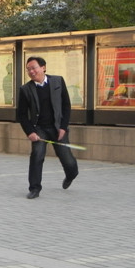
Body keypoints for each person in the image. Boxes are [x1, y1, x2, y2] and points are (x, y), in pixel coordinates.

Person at [17, 56, 79, 199]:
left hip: (57, 127)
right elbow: (22, 115)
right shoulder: (25, 89)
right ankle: (34, 188)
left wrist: (63, 127)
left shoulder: (58, 81)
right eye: (28, 69)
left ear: (43, 67)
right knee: (37, 155)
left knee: (67, 160)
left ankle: (71, 174)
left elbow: (66, 106)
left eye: (34, 68)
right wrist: (30, 132)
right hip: (39, 129)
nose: (31, 71)